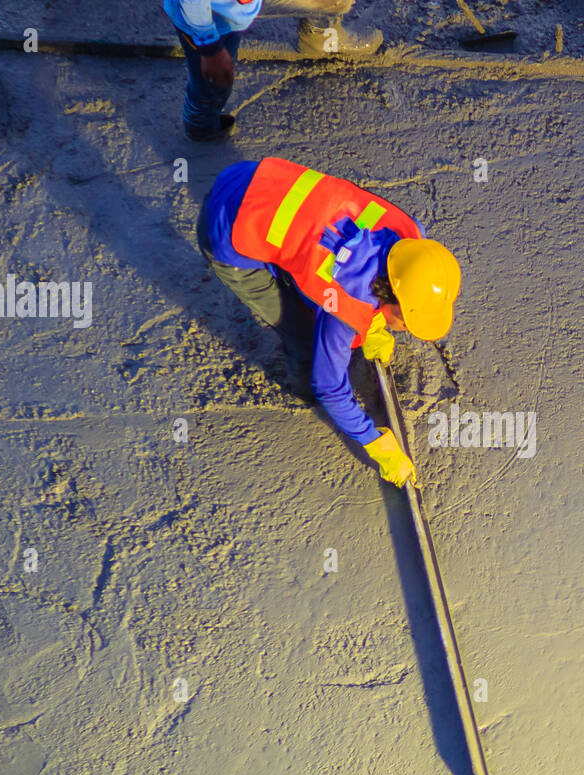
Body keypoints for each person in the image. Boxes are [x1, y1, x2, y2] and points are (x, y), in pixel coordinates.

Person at [198, 157, 462, 487]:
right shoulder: (346, 310)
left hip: (252, 177)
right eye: (407, 319)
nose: (409, 328)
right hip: (227, 235)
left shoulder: (405, 234)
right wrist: (375, 443)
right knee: (305, 337)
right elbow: (331, 386)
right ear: (389, 296)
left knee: (304, 272)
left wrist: (374, 326)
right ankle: (299, 389)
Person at [165, 0, 383, 142]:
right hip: (208, 23)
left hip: (229, 12)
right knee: (213, 84)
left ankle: (321, 35)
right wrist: (209, 48)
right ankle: (200, 125)